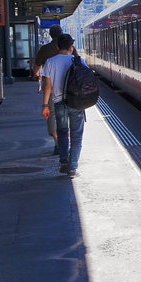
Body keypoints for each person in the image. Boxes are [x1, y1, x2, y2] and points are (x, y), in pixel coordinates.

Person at [40, 34, 83, 179]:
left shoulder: (50, 62)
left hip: (59, 103)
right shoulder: (78, 61)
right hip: (76, 103)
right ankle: (73, 168)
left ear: (57, 47)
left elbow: (47, 87)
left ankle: (64, 161)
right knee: (76, 135)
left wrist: (45, 105)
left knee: (63, 132)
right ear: (71, 47)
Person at [32, 25, 66, 154]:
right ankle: (66, 141)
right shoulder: (68, 47)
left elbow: (36, 67)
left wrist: (37, 74)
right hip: (67, 86)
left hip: (51, 86)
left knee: (52, 113)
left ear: (50, 35)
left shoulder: (45, 49)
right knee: (67, 113)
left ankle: (58, 142)